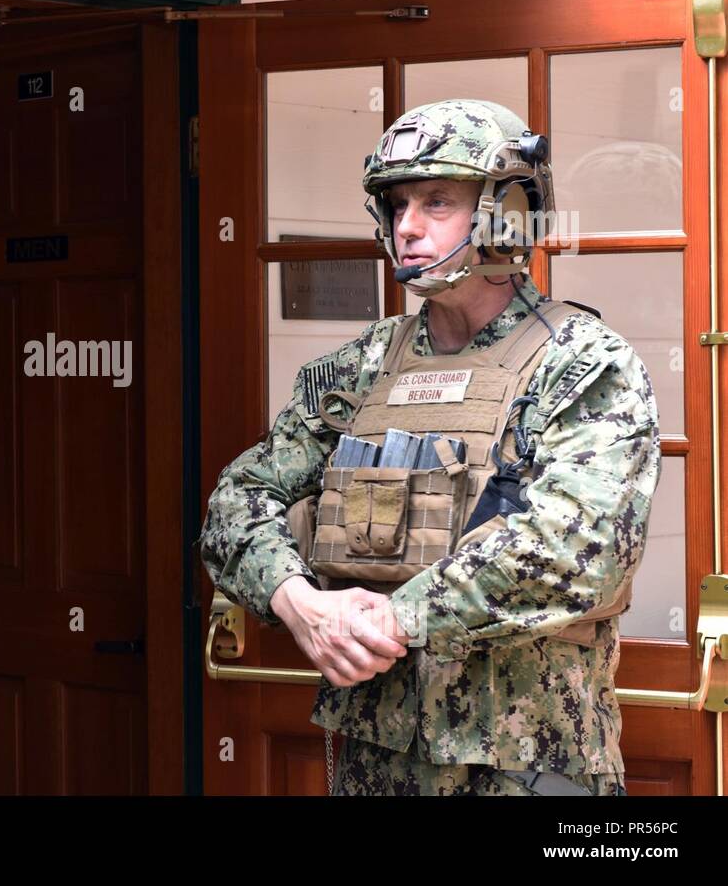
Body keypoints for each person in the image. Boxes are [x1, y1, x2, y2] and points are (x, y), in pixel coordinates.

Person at [199, 98, 660, 796]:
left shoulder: (584, 364)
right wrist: (302, 605)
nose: (406, 226)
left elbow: (582, 549)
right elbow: (236, 501)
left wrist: (397, 616)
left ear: (507, 212)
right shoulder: (359, 369)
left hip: (528, 767)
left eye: (437, 201)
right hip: (373, 769)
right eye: (397, 203)